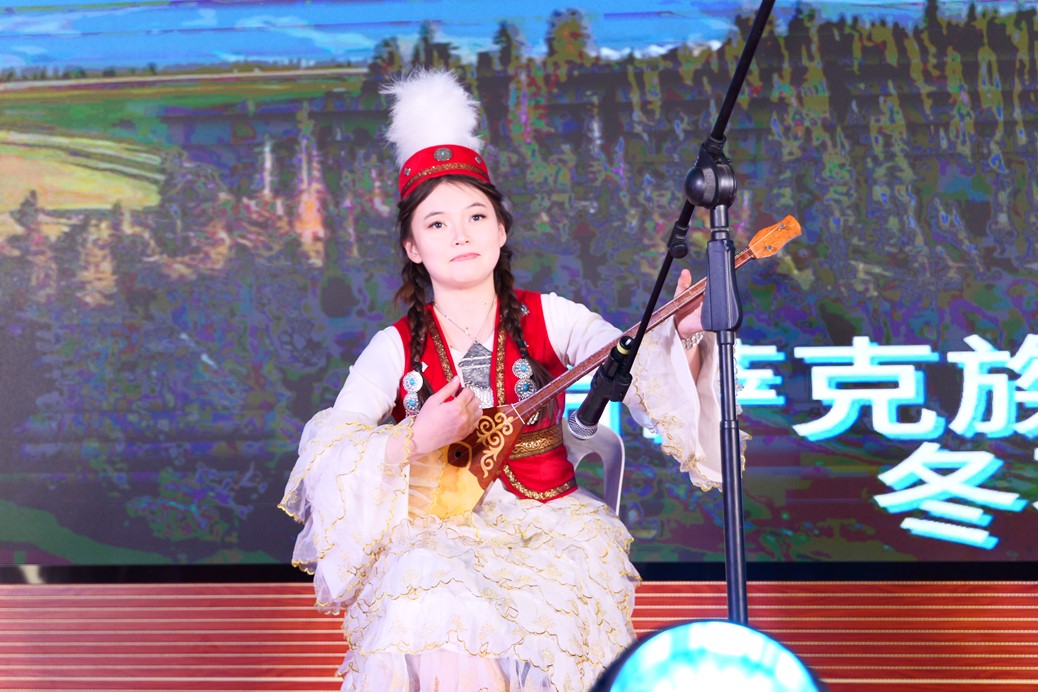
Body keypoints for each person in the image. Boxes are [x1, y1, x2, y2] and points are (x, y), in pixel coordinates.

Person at [279, 69, 724, 691]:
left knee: (547, 598)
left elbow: (634, 362)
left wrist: (681, 335)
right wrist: (414, 438)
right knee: (424, 589)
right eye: (437, 223)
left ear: (501, 230)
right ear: (412, 246)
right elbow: (330, 448)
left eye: (476, 215)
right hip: (437, 532)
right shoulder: (395, 346)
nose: (461, 234)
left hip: (551, 528)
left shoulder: (551, 317)